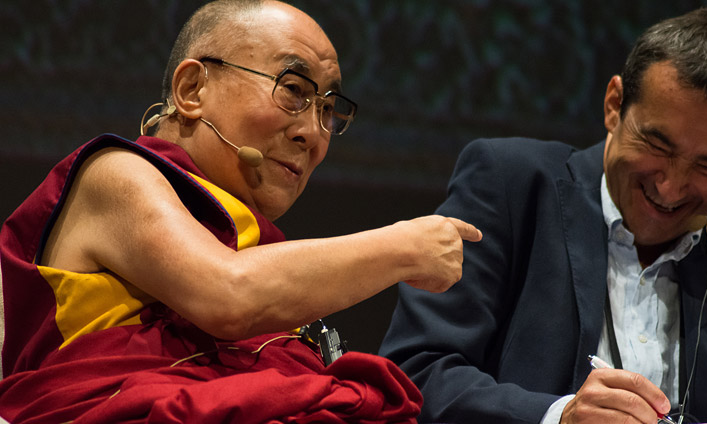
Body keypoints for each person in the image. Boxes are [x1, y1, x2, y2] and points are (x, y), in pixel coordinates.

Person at [0, 1, 482, 422]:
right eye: (294, 90)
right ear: (192, 89)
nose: (313, 134)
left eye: (328, 109)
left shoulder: (253, 244)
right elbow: (226, 295)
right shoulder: (116, 174)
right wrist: (401, 248)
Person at [380, 3, 707, 423]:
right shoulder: (510, 184)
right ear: (614, 105)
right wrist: (559, 417)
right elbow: (414, 375)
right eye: (657, 146)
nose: (671, 187)